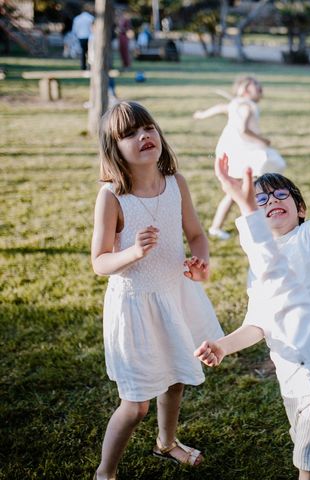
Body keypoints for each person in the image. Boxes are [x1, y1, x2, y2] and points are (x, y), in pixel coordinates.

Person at [195, 150, 310, 480]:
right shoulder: (259, 268)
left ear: (300, 209)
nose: (272, 201)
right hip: (291, 380)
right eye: (262, 199)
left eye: (282, 194)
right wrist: (223, 346)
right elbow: (258, 325)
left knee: (307, 463)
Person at [91, 101, 224, 480]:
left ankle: (166, 443)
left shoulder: (175, 184)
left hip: (175, 296)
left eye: (147, 127)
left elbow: (196, 236)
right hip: (136, 305)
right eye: (130, 134)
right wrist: (133, 251)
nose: (143, 136)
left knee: (177, 376)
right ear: (114, 150)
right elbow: (99, 262)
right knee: (135, 406)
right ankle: (106, 472)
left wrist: (199, 263)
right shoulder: (112, 197)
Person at [193, 76, 286, 240]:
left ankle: (217, 226)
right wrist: (263, 140)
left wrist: (201, 114)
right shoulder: (248, 107)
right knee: (252, 188)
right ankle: (263, 225)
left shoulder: (235, 104)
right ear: (244, 90)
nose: (260, 88)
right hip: (244, 153)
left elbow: (219, 108)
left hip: (232, 151)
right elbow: (243, 130)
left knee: (236, 190)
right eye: (256, 86)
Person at [72, 5, 94, 70]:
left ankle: (83, 66)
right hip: (89, 37)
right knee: (90, 52)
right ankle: (90, 66)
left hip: (81, 37)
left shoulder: (77, 18)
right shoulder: (91, 18)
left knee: (83, 52)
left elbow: (74, 30)